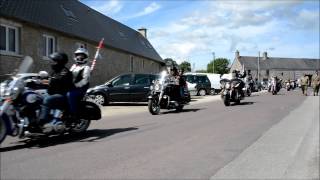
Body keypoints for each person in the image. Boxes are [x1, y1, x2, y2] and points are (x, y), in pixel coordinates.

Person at [39, 52, 73, 128]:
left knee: (47, 100)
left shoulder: (65, 72)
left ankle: (42, 122)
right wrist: (38, 81)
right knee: (37, 97)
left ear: (60, 62)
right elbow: (49, 80)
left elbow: (58, 80)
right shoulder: (54, 71)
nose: (51, 63)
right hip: (52, 93)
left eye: (54, 61)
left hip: (61, 95)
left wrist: (49, 81)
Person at [67, 47, 91, 119]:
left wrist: (75, 85)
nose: (79, 57)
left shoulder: (86, 67)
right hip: (71, 86)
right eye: (77, 55)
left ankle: (73, 114)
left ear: (85, 57)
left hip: (80, 89)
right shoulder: (74, 66)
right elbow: (68, 75)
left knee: (70, 95)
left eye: (81, 55)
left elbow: (85, 80)